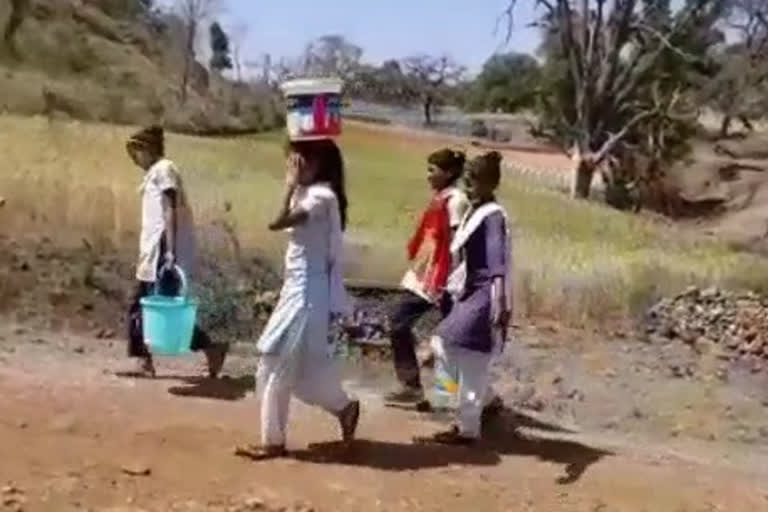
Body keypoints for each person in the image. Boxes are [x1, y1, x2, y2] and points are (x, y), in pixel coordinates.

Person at [235, 139, 360, 461]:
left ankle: (272, 440)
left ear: (319, 163)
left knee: (275, 363)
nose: (294, 165)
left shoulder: (320, 197)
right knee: (301, 375)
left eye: (300, 160)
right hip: (303, 290)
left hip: (307, 293)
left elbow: (278, 222)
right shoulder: (316, 194)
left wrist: (288, 186)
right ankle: (344, 408)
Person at [415, 151, 512, 445]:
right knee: (447, 347)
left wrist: (501, 303)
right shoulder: (477, 210)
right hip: (471, 293)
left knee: (464, 356)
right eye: (467, 182)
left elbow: (497, 262)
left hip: (486, 296)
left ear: (490, 184)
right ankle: (482, 404)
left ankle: (468, 427)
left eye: (475, 182)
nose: (468, 188)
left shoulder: (492, 216)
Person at [125, 125, 228, 379]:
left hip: (163, 249)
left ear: (148, 148)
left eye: (138, 151)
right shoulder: (153, 174)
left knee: (157, 308)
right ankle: (149, 358)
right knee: (152, 307)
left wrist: (170, 251)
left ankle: (147, 359)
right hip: (153, 250)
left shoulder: (164, 170)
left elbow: (170, 208)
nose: (135, 158)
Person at [384, 148, 470, 406]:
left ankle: (461, 395)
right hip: (425, 275)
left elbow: (459, 243)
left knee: (450, 341)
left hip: (442, 278)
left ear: (450, 173)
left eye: (433, 170)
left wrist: (457, 281)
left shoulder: (456, 201)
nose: (428, 176)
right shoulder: (441, 198)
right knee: (400, 322)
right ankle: (416, 387)